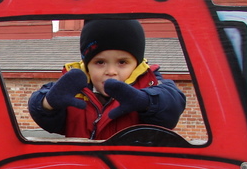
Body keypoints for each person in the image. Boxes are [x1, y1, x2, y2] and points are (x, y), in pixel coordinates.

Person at [28, 19, 186, 140]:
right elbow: (45, 115)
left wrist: (145, 101)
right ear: (87, 66)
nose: (111, 72)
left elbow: (172, 105)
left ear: (137, 64)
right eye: (100, 62)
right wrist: (48, 104)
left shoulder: (150, 83)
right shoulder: (74, 89)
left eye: (122, 62)